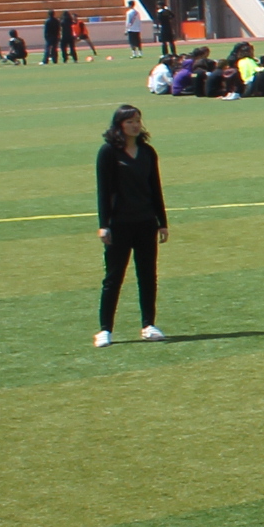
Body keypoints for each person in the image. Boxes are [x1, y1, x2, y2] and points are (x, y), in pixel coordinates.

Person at [93, 103, 169, 346]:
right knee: (113, 277)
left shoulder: (147, 152)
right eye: (130, 122)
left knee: (147, 275)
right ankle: (105, 330)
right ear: (119, 125)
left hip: (145, 222)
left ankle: (148, 325)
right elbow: (104, 191)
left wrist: (162, 222)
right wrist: (104, 224)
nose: (135, 125)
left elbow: (155, 187)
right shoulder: (108, 152)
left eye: (137, 121)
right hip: (119, 224)